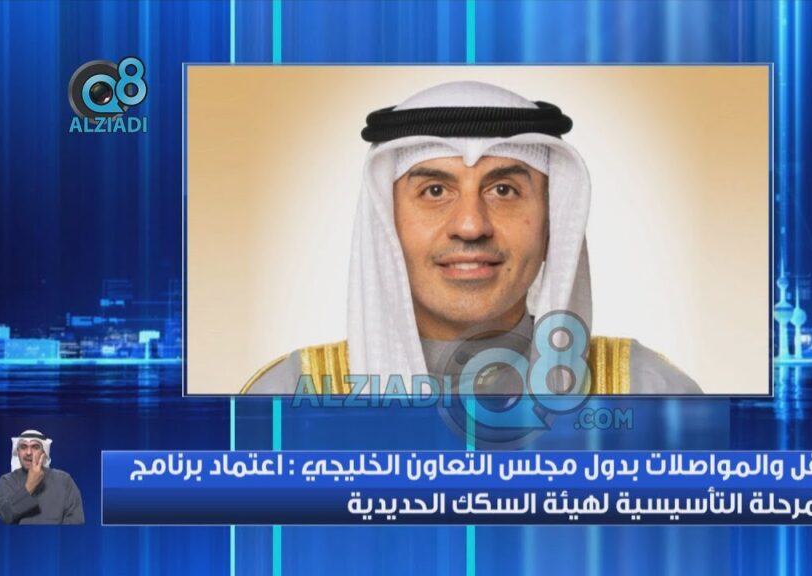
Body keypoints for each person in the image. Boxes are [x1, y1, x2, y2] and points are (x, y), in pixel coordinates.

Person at [243, 81, 700, 395]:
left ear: (551, 219)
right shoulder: (285, 400)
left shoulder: (647, 392)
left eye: (504, 190)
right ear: (386, 222)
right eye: (434, 191)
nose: (470, 225)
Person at [0, 430, 85, 525]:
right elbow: (6, 516)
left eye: (35, 447)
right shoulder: (7, 481)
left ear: (44, 452)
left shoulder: (64, 480)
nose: (28, 452)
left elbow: (76, 521)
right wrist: (29, 486)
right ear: (18, 452)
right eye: (23, 447)